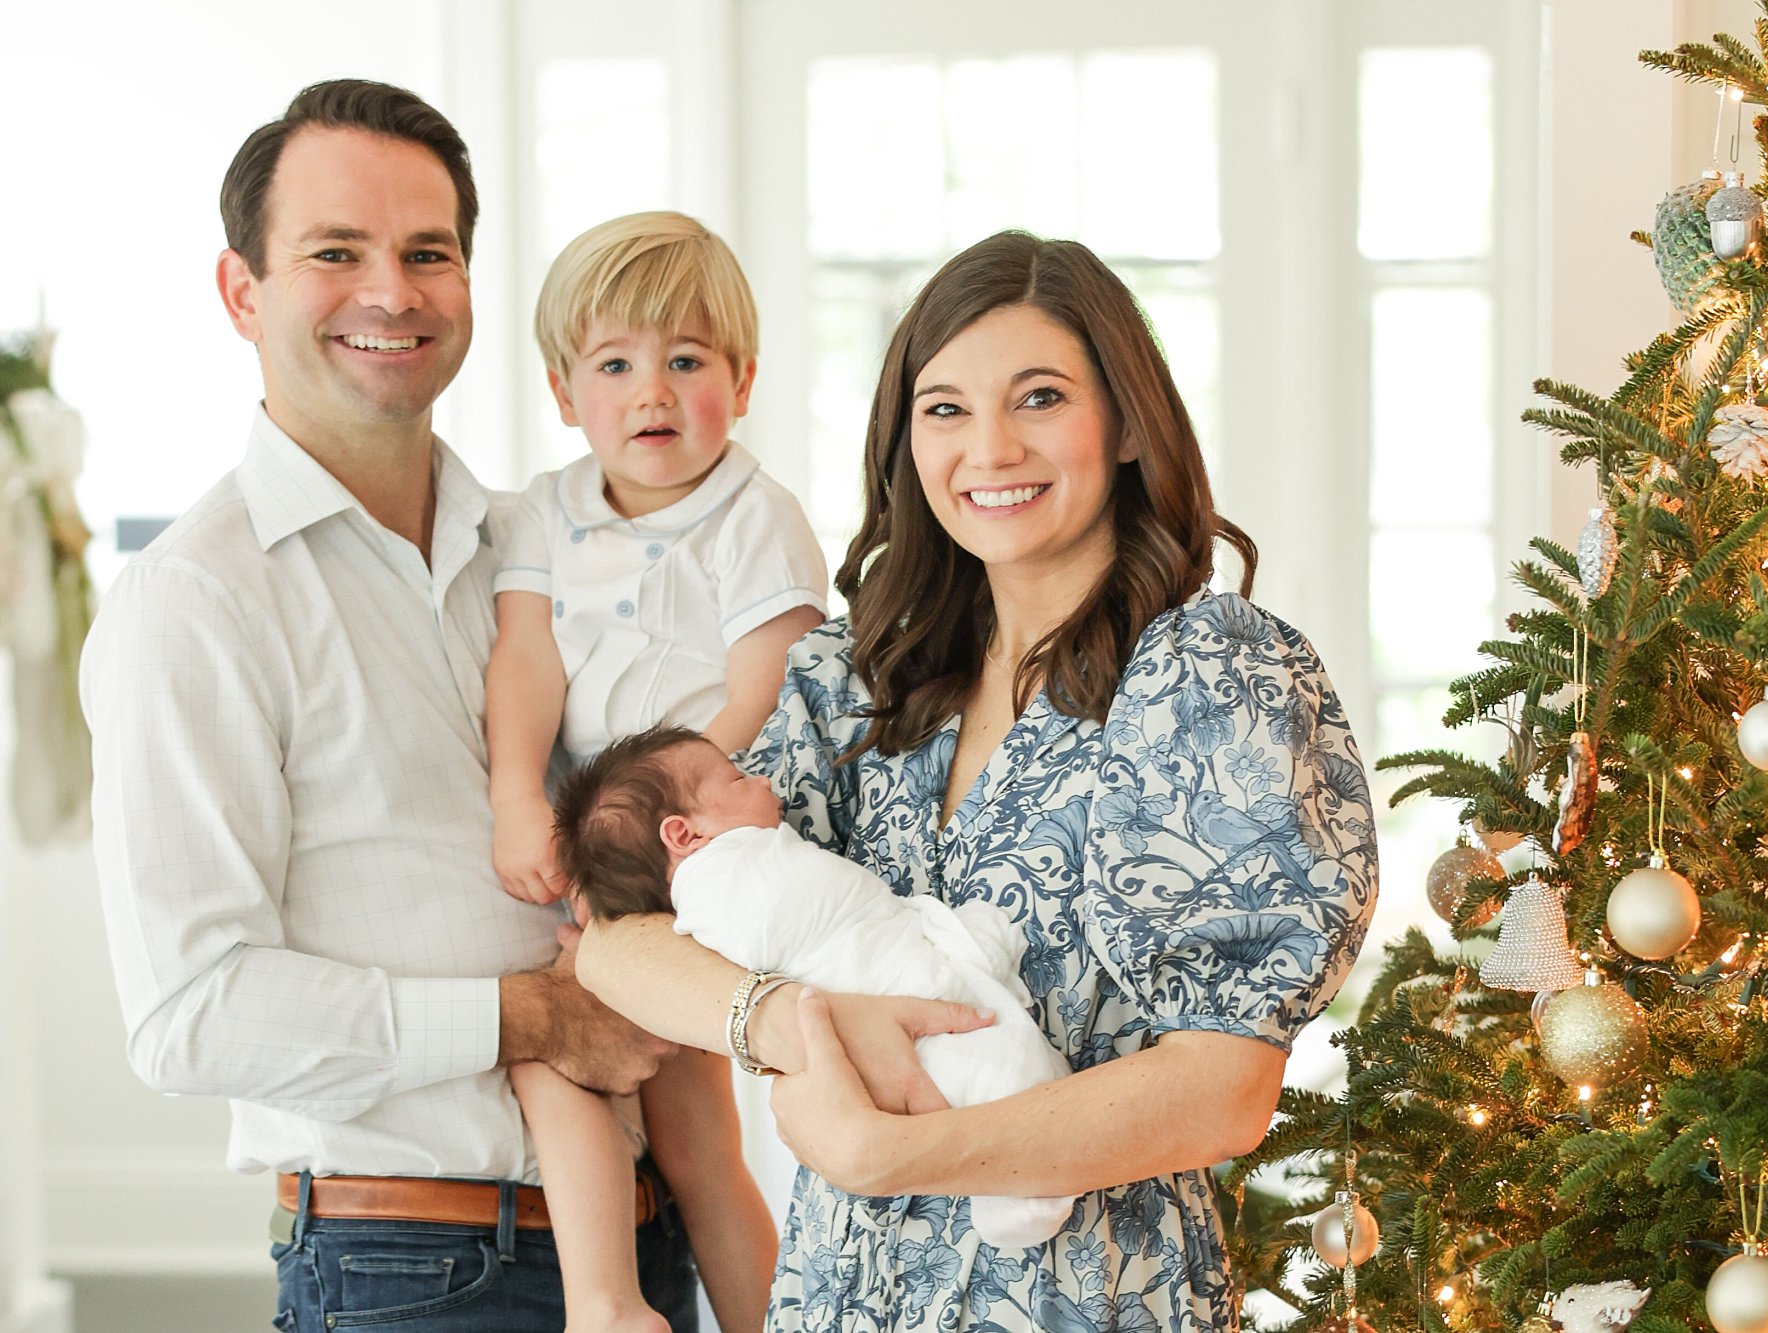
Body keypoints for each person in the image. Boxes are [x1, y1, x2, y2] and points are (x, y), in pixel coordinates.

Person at [78, 79, 986, 1332]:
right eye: (334, 252)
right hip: (412, 1264)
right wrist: (533, 1015)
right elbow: (189, 1016)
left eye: (428, 253)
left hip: (648, 1226)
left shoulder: (543, 538)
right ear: (243, 291)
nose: (390, 291)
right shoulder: (197, 599)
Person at [577, 230, 1380, 1331]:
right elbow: (622, 938)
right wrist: (789, 1021)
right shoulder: (860, 672)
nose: (989, 447)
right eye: (944, 409)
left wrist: (893, 1149)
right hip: (840, 1302)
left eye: (1039, 397)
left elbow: (1221, 1089)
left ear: (1127, 419)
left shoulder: (1212, 674)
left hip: (1089, 1301)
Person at [487, 211, 823, 1332]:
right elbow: (525, 657)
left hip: (700, 841)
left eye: (686, 362)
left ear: (742, 377)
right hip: (599, 846)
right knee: (580, 1065)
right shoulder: (545, 510)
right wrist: (517, 797)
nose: (652, 393)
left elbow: (759, 692)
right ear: (561, 389)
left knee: (686, 1131)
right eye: (615, 365)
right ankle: (612, 1300)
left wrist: (643, 838)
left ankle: (626, 1306)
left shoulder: (752, 516)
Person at [552, 724, 1075, 1249]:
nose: (762, 779)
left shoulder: (721, 877)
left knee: (1000, 1061)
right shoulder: (725, 883)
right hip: (889, 994)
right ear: (684, 835)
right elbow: (784, 924)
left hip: (893, 974)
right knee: (992, 1064)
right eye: (738, 778)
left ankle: (1025, 1178)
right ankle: (1023, 1193)